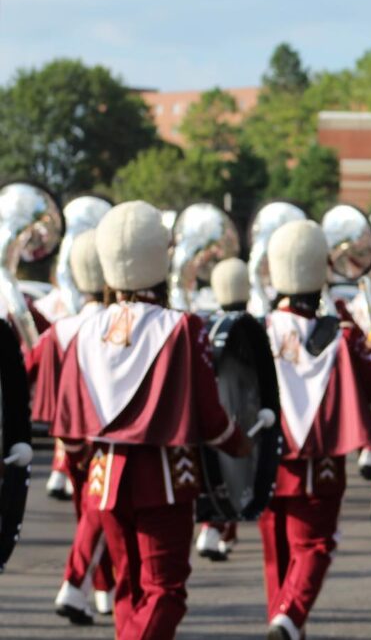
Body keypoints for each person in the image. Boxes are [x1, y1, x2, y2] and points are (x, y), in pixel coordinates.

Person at [53, 201, 251, 640]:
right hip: (164, 475)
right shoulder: (182, 327)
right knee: (165, 590)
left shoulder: (86, 329)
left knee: (129, 589)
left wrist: (85, 462)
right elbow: (210, 414)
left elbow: (69, 425)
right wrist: (239, 444)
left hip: (105, 477)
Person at [258, 220, 371, 640]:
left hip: (265, 458)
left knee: (275, 551)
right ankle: (289, 617)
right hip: (317, 458)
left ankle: (282, 617)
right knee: (314, 544)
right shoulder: (338, 337)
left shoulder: (254, 332)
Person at [29, 231, 114, 624]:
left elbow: (25, 368)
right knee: (101, 514)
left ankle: (101, 590)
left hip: (69, 439)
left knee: (91, 514)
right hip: (107, 436)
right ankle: (82, 585)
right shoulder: (118, 327)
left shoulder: (59, 330)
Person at [194, 258, 250, 563]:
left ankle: (220, 532)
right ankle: (217, 531)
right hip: (241, 410)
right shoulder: (254, 325)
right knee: (238, 473)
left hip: (216, 407)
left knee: (217, 473)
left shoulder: (208, 325)